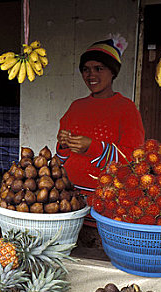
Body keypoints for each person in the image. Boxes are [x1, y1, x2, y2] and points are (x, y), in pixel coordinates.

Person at [56, 34, 145, 196]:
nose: (91, 75)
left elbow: (133, 159)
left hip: (107, 198)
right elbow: (62, 158)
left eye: (98, 68)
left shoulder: (126, 108)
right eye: (86, 70)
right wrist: (63, 145)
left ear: (112, 72)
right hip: (69, 195)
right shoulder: (76, 106)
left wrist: (92, 147)